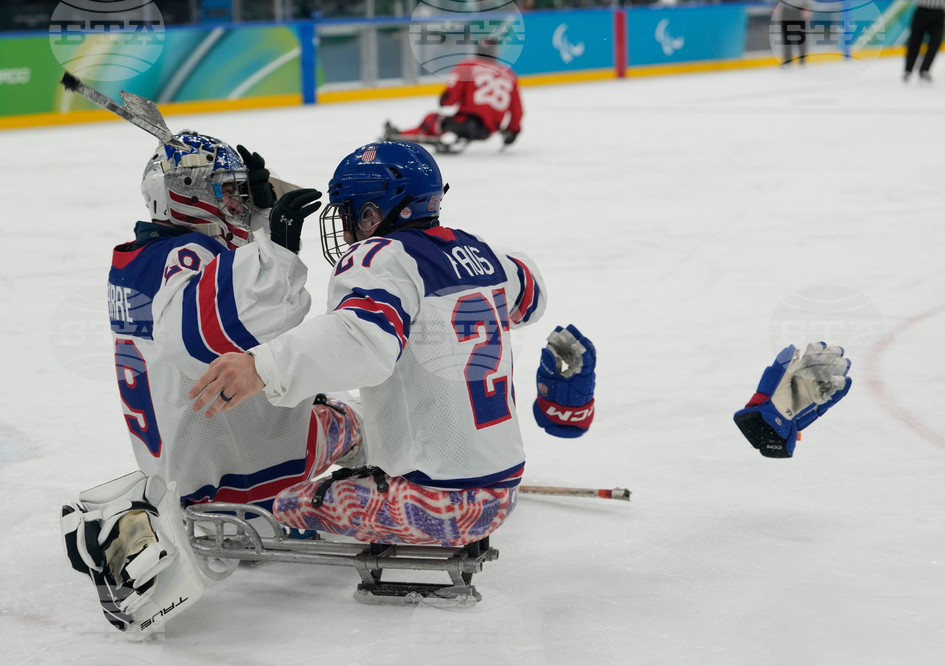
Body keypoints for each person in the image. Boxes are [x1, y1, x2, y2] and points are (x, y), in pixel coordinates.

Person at [188, 141, 595, 547]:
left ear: (371, 213)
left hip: (434, 503)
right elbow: (531, 292)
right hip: (502, 494)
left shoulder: (381, 257)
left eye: (350, 212)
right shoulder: (487, 255)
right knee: (359, 421)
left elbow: (359, 339)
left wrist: (262, 366)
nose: (346, 228)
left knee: (285, 504)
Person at [61, 131, 363, 637]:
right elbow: (249, 321)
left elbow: (226, 283)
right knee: (357, 418)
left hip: (179, 468)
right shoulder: (187, 257)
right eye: (226, 190)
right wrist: (283, 248)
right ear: (187, 191)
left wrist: (261, 220)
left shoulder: (141, 258)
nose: (237, 203)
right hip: (234, 464)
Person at [383, 41, 523, 150]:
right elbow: (517, 111)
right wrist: (512, 131)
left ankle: (400, 136)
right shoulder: (509, 74)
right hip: (488, 130)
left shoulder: (468, 65)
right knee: (449, 121)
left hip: (467, 123)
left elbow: (450, 99)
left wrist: (445, 99)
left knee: (433, 119)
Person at [903, 0, 945, 82]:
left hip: (938, 12)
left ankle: (924, 69)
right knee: (914, 41)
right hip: (922, 11)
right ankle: (908, 70)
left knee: (936, 42)